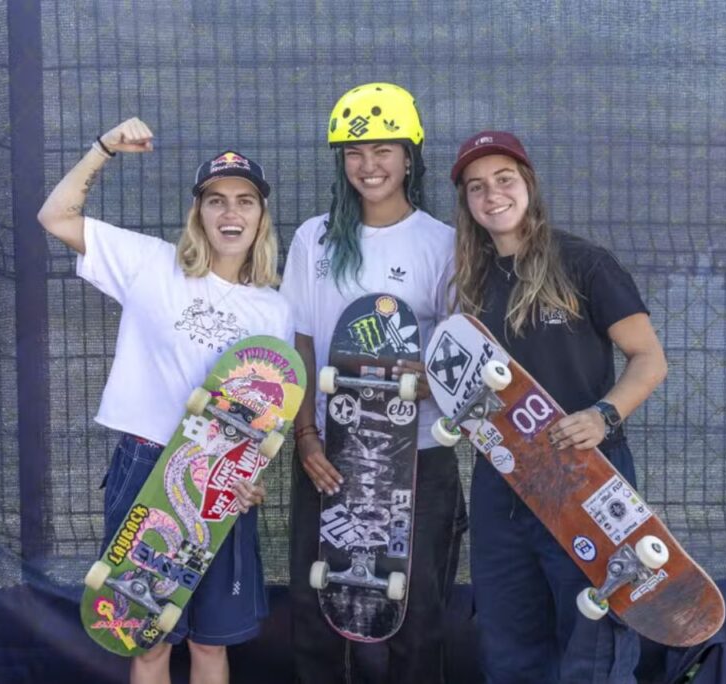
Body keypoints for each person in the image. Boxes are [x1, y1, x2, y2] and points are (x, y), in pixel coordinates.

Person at [37, 117, 293, 684]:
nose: (231, 213)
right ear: (198, 213)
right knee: (146, 639)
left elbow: (266, 413)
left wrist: (252, 474)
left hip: (221, 480)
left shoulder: (275, 311)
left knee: (209, 645)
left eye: (245, 201)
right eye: (217, 201)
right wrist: (103, 149)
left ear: (260, 216)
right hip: (147, 464)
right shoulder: (150, 263)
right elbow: (55, 216)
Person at [449, 130, 668, 683]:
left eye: (504, 179)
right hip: (503, 485)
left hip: (585, 478)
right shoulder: (470, 284)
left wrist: (604, 415)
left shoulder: (584, 264)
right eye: (476, 187)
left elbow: (648, 359)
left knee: (595, 640)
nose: (492, 195)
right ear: (467, 203)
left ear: (528, 184)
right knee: (508, 641)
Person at [280, 83, 466, 683]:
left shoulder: (443, 243)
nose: (370, 165)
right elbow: (301, 341)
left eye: (384, 149)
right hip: (331, 454)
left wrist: (430, 379)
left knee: (417, 613)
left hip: (420, 459)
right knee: (321, 608)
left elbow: (461, 352)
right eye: (355, 152)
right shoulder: (316, 239)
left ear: (410, 156)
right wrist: (306, 435)